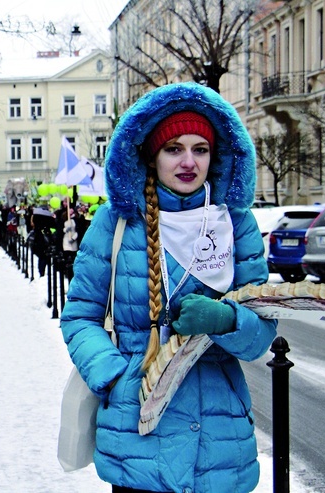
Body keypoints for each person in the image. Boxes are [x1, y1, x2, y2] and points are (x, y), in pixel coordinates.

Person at [60, 82, 277, 493]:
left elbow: (262, 333)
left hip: (218, 442)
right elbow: (80, 317)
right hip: (137, 432)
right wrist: (114, 375)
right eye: (174, 148)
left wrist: (227, 319)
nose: (188, 161)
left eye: (200, 149)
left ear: (215, 157)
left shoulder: (235, 223)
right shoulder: (116, 223)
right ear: (152, 155)